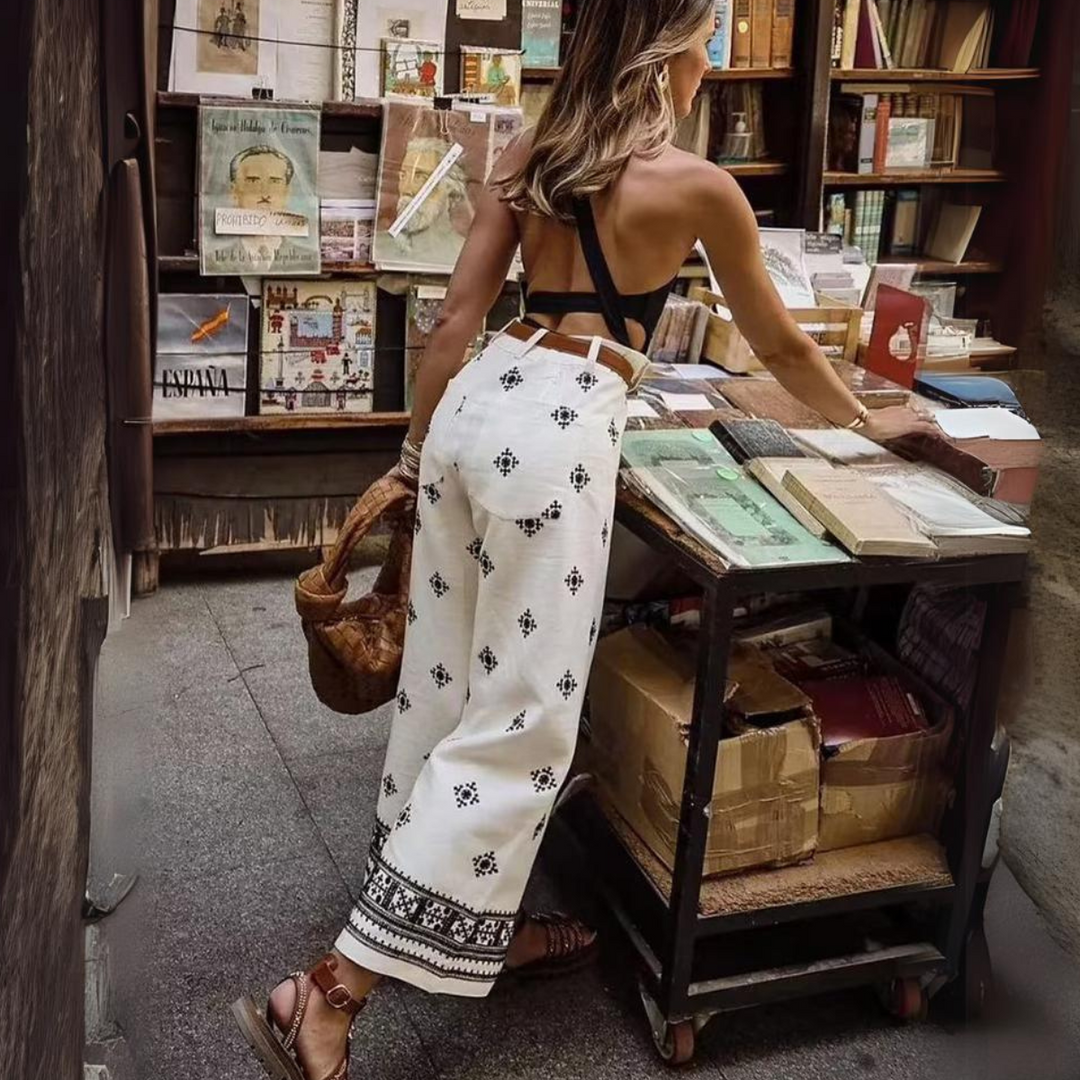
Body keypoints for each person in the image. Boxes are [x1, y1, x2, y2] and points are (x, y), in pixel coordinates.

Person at [232, 2, 936, 1077]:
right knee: (523, 728)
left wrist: (413, 458)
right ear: (668, 49)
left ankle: (475, 927)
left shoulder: (531, 153)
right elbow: (782, 341)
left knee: (449, 689)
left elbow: (457, 314)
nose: (711, 54)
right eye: (705, 31)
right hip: (555, 447)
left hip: (477, 409)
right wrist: (864, 418)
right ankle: (326, 993)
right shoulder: (697, 186)